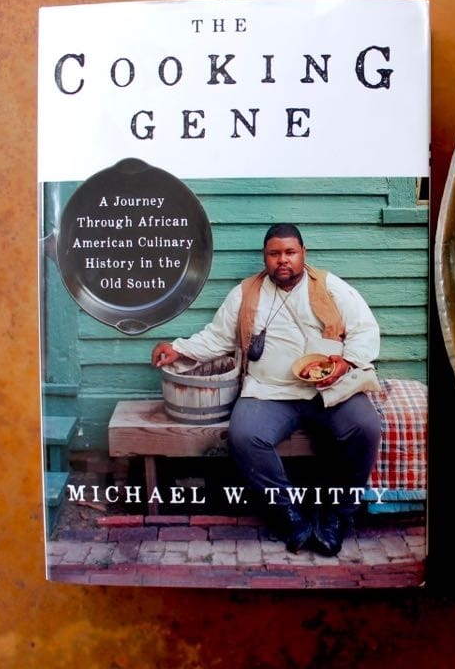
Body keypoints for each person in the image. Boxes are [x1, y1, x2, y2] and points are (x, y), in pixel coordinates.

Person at [151, 223, 382, 556]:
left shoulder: (331, 286)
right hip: (268, 391)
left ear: (303, 254)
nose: (282, 260)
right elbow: (218, 337)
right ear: (265, 258)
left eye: (290, 252)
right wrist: (178, 349)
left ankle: (337, 515)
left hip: (328, 389)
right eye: (275, 254)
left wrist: (346, 362)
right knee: (245, 435)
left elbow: (364, 329)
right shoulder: (245, 293)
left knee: (366, 427)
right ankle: (291, 518)